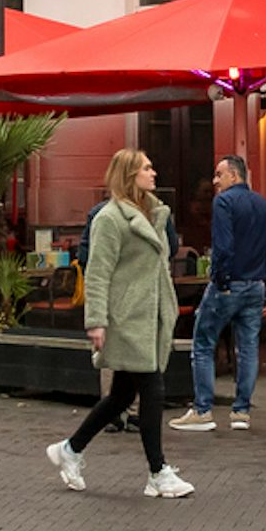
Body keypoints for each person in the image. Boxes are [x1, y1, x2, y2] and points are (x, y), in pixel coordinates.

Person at [49, 150, 192, 499]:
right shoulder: (110, 219)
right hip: (127, 317)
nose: (154, 172)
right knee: (152, 388)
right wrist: (96, 321)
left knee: (122, 396)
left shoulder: (154, 213)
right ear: (130, 175)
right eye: (147, 167)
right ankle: (158, 472)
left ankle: (70, 449)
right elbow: (97, 272)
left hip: (150, 313)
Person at [175, 153, 266, 435]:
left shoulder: (224, 202)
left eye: (219, 175)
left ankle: (203, 410)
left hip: (230, 283)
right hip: (257, 284)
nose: (215, 182)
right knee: (248, 347)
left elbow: (223, 247)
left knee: (203, 342)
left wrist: (219, 279)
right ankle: (241, 411)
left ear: (234, 175)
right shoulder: (265, 205)